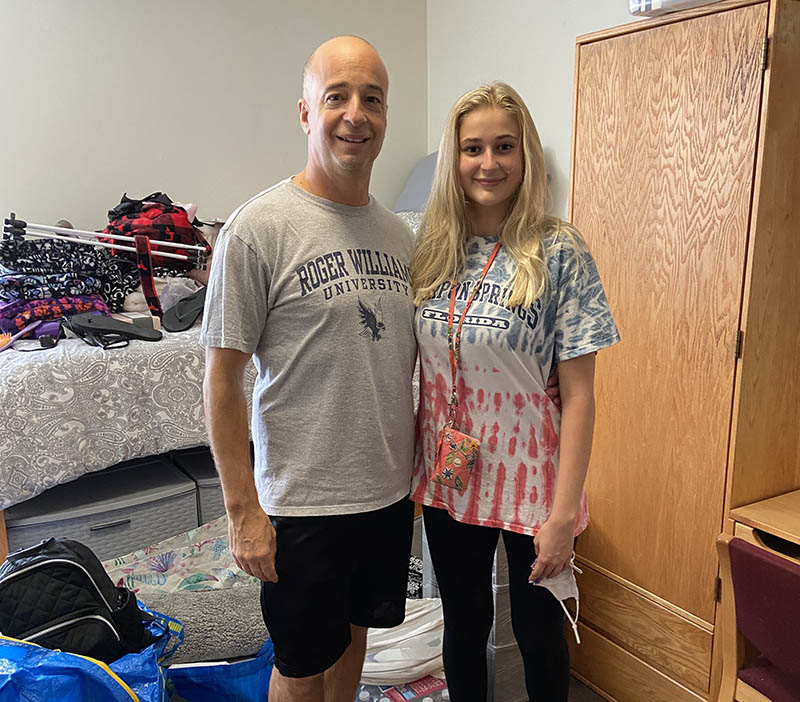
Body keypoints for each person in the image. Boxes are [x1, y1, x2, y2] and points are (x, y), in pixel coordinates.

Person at [200, 36, 417, 702]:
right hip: (302, 503)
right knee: (300, 663)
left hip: (385, 494)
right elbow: (221, 378)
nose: (356, 113)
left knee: (355, 639)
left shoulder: (400, 236)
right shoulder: (258, 229)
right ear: (305, 113)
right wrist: (244, 512)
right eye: (338, 96)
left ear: (385, 115)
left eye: (372, 98)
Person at [409, 82, 620, 701]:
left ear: (525, 155)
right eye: (472, 148)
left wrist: (562, 515)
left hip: (534, 485)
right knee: (464, 627)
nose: (489, 163)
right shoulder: (430, 249)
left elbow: (580, 396)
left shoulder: (560, 252)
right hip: (450, 477)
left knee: (538, 636)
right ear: (454, 159)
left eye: (505, 146)